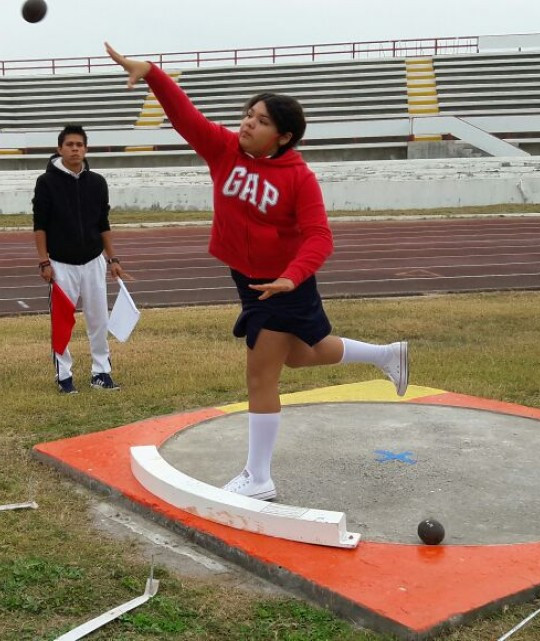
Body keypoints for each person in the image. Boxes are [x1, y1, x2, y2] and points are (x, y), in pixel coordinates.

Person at [105, 44, 408, 501]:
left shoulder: (298, 177)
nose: (248, 122)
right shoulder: (224, 150)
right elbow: (187, 118)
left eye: (262, 120)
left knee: (260, 377)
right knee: (302, 355)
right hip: (249, 280)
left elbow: (319, 236)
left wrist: (292, 276)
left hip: (284, 284)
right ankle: (387, 355)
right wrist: (151, 74)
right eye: (248, 114)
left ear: (283, 137)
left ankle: (258, 477)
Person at [33, 125, 130, 394]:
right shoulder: (46, 182)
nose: (75, 149)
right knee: (62, 322)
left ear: (86, 149)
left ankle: (101, 372)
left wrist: (113, 259)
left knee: (98, 319)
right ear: (59, 149)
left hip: (93, 262)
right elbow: (39, 226)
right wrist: (44, 262)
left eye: (80, 144)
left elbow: (103, 223)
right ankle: (64, 376)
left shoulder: (97, 183)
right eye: (70, 144)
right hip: (61, 264)